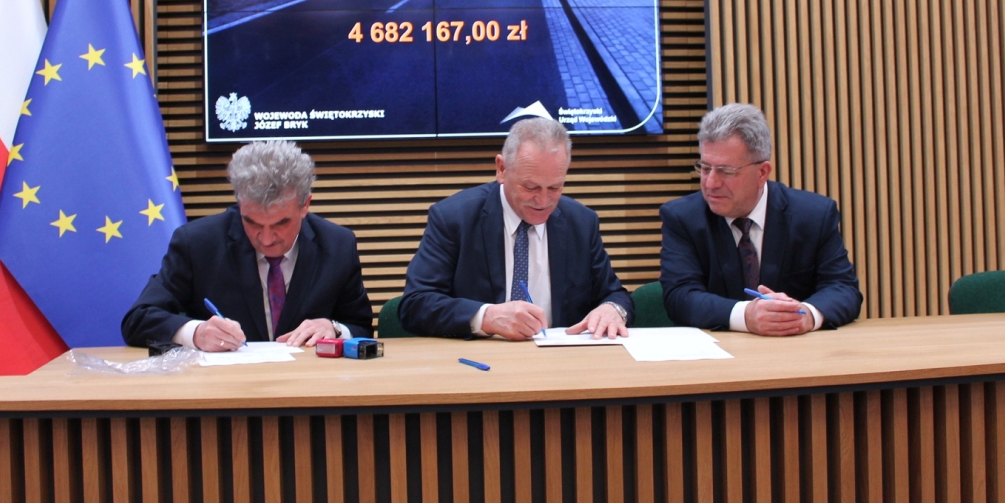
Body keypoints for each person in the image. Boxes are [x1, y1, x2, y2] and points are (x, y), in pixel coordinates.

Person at [122, 140, 373, 350]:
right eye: (252, 222)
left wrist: (334, 328)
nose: (266, 239)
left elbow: (362, 327)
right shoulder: (198, 243)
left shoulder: (337, 245)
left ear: (305, 205)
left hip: (311, 386)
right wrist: (196, 333)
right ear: (240, 203)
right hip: (224, 389)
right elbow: (138, 320)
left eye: (281, 223)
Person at [399, 117, 633, 340]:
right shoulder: (455, 218)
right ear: (502, 169)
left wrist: (612, 309)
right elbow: (415, 304)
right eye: (530, 187)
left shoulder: (581, 223)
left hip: (560, 360)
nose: (543, 201)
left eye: (554, 188)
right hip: (479, 359)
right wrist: (486, 317)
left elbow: (615, 295)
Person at [659, 103, 862, 334]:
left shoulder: (814, 215)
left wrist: (806, 315)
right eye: (705, 168)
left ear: (762, 172)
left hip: (798, 349)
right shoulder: (683, 218)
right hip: (717, 351)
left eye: (726, 171)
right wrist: (746, 315)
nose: (711, 183)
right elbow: (680, 297)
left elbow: (843, 288)